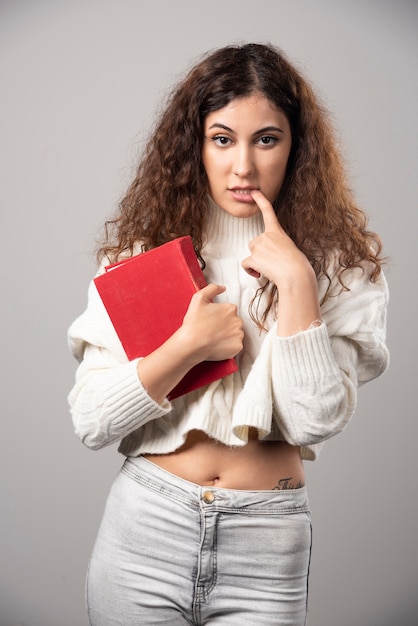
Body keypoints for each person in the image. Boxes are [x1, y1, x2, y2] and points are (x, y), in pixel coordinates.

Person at [67, 42, 389, 625]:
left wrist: (297, 285)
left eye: (266, 139)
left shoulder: (341, 266)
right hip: (145, 530)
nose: (243, 166)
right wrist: (186, 347)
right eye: (222, 139)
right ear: (195, 146)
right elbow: (90, 421)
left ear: (297, 147)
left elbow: (313, 420)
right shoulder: (141, 257)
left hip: (266, 544)